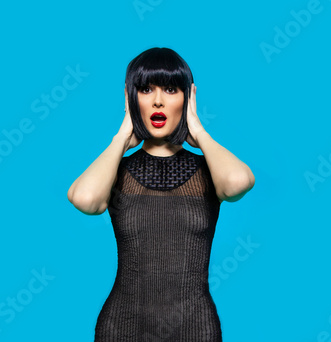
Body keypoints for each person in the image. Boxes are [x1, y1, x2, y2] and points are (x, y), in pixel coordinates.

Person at [67, 47, 255, 341]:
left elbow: (238, 182)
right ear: (131, 99)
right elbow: (86, 200)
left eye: (170, 89)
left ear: (187, 98)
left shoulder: (210, 170)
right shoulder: (117, 171)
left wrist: (200, 132)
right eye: (144, 89)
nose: (157, 101)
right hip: (122, 328)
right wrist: (121, 138)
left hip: (195, 329)